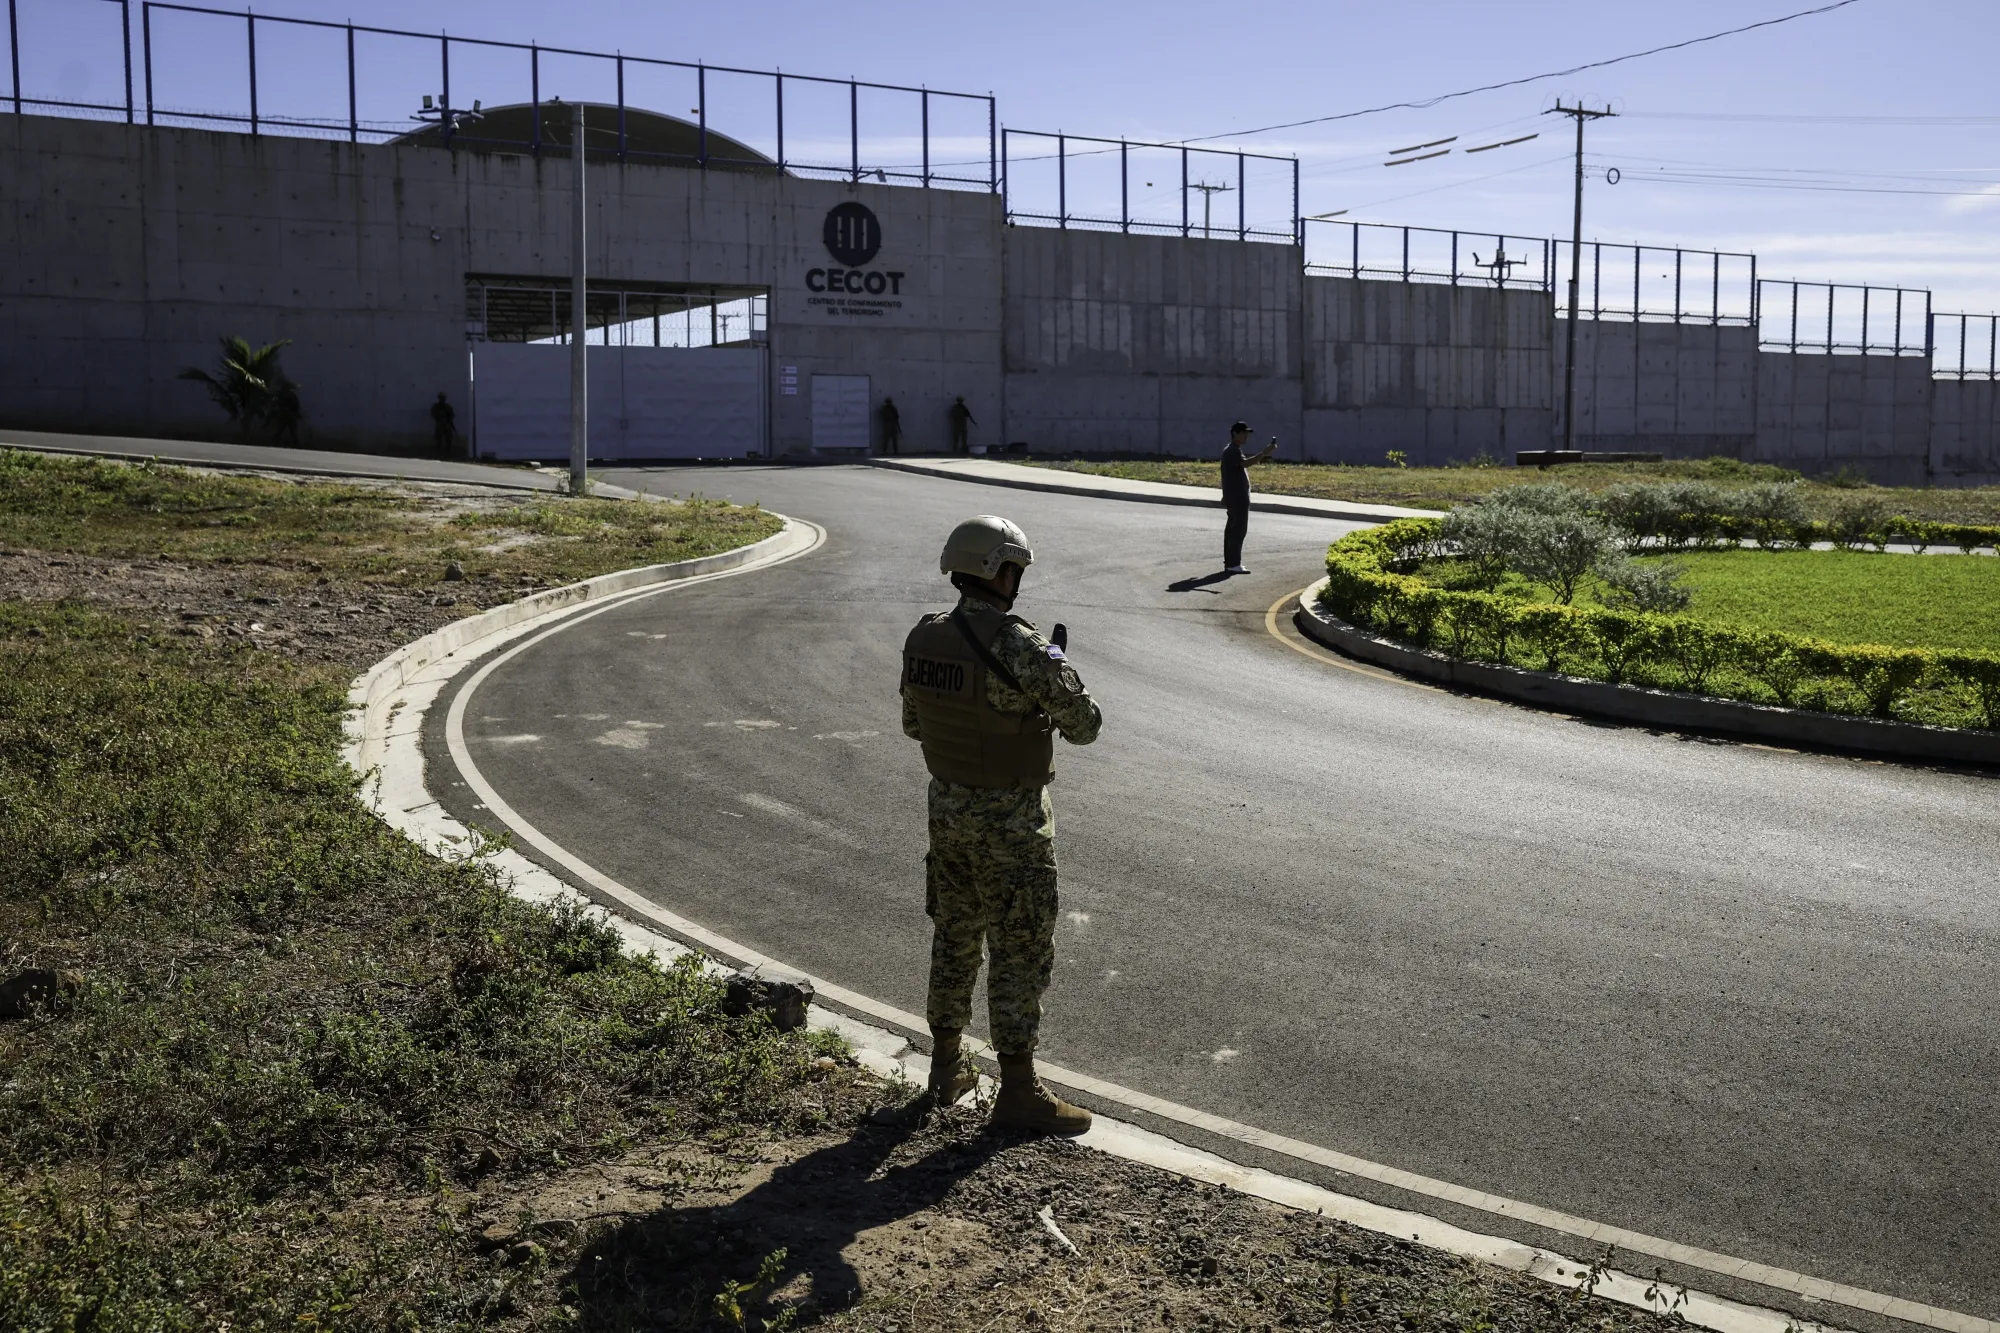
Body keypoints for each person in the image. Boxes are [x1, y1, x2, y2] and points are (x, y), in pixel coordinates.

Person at [901, 515, 1102, 1134]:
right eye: (1015, 568)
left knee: (955, 937)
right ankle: (1018, 1090)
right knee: (1018, 949)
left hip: (948, 818)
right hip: (1012, 827)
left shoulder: (925, 636)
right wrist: (1056, 673)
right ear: (999, 571)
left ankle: (945, 1067)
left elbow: (914, 725)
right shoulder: (1021, 644)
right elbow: (1086, 725)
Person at [1220, 420, 1276, 574]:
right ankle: (1233, 563)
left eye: (1247, 433)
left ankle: (1230, 562)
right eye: (1243, 433)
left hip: (1234, 497)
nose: (1246, 436)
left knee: (1232, 530)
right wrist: (1264, 453)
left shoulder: (1233, 450)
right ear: (1235, 434)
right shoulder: (1232, 451)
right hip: (1237, 498)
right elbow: (1245, 464)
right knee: (1237, 530)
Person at [431, 392, 457, 456]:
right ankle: (439, 452)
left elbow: (452, 415)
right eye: (441, 398)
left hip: (447, 424)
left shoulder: (447, 406)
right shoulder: (436, 406)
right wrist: (440, 417)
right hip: (439, 424)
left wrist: (448, 419)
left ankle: (447, 452)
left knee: (448, 439)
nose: (443, 399)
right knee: (438, 439)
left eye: (443, 398)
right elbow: (433, 414)